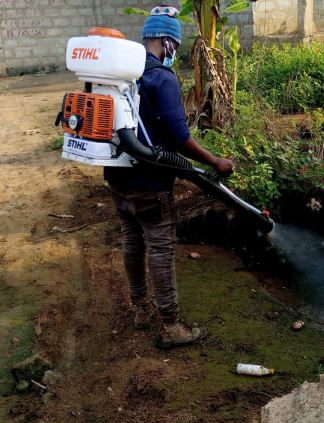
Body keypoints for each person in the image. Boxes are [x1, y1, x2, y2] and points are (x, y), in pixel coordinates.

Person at [104, 5, 235, 349]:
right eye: (174, 45)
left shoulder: (121, 73)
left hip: (117, 179)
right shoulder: (162, 78)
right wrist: (215, 161)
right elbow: (179, 138)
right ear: (166, 41)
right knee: (161, 250)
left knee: (132, 243)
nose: (174, 51)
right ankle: (171, 327)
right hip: (150, 184)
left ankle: (141, 309)